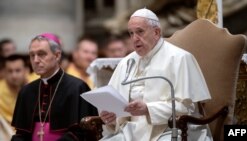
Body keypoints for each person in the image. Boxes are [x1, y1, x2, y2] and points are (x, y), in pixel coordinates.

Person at [99, 8, 213, 141]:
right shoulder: (126, 62)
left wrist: (148, 109)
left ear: (156, 32)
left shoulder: (180, 58)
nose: (134, 39)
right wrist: (112, 117)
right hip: (131, 131)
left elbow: (187, 108)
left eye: (140, 31)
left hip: (170, 129)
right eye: (131, 33)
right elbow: (117, 107)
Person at [11, 33, 98, 141]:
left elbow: (81, 133)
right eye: (32, 55)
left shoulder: (77, 88)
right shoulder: (26, 91)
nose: (36, 60)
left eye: (41, 54)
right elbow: (21, 133)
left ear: (57, 55)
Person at [0, 54, 28, 140]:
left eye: (18, 70)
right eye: (10, 71)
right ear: (4, 72)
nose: (14, 76)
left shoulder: (36, 87)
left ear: (26, 70)